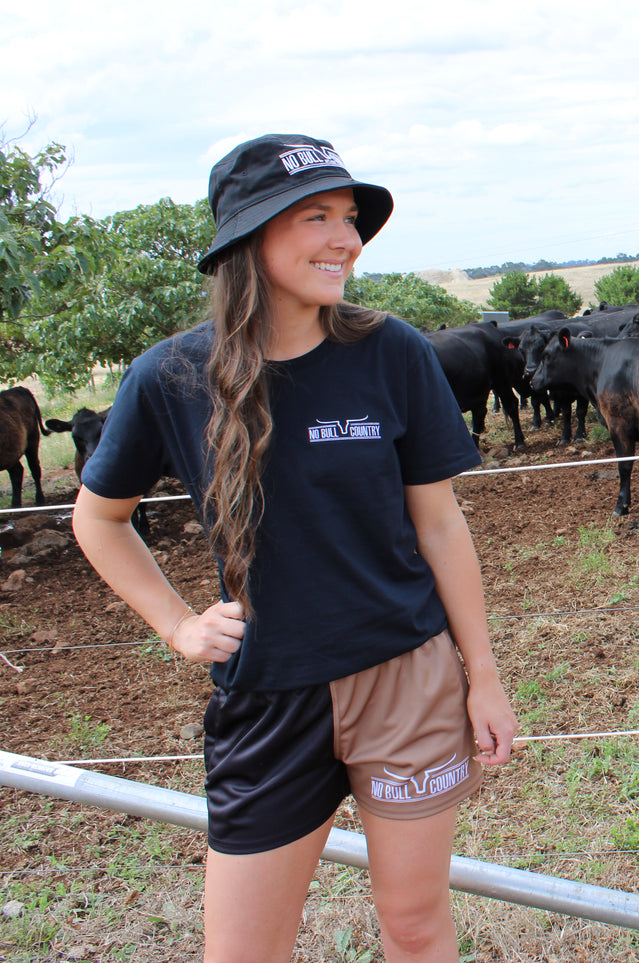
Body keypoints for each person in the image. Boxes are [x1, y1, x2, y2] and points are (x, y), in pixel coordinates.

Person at [71, 133, 517, 963]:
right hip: (268, 698)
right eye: (317, 216)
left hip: (406, 681)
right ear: (250, 236)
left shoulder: (391, 352)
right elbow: (98, 518)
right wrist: (175, 623)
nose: (346, 239)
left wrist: (481, 677)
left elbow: (440, 523)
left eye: (349, 218)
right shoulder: (170, 376)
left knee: (415, 927)